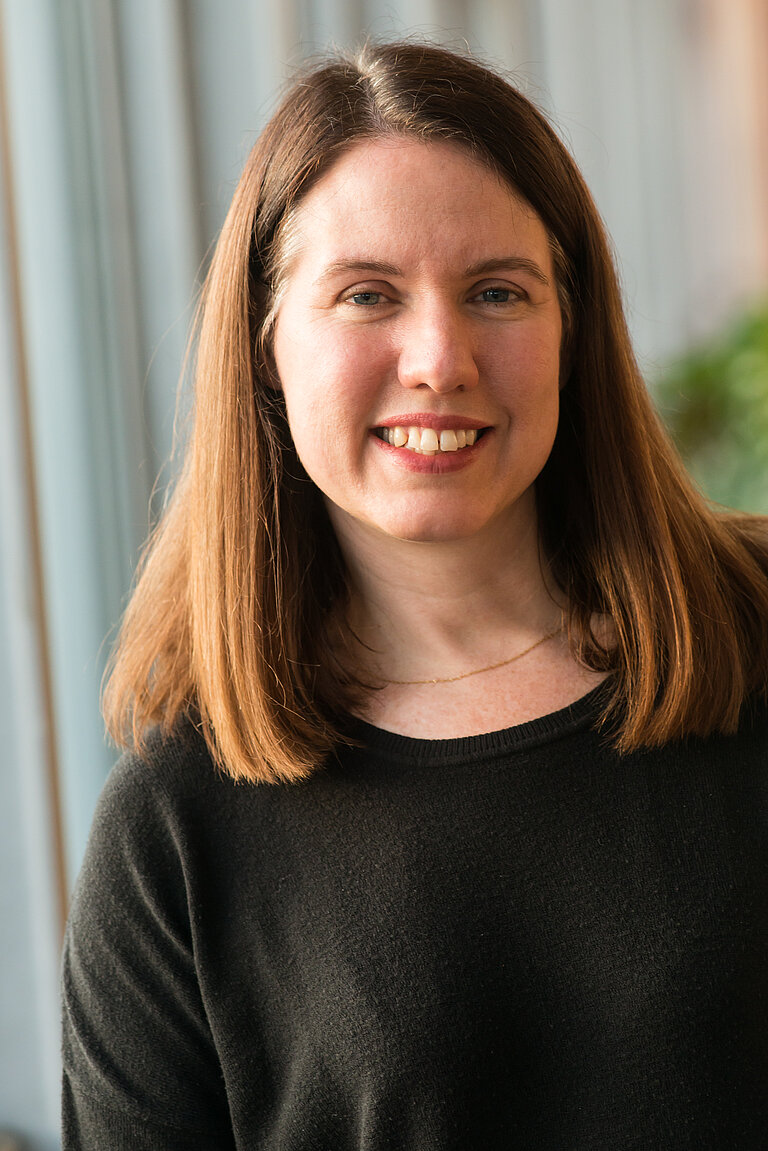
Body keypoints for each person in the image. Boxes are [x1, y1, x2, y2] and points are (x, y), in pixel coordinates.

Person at [61, 40, 768, 1150]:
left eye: (497, 290)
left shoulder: (755, 635)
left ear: (573, 328)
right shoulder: (174, 836)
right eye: (366, 294)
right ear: (265, 346)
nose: (439, 357)